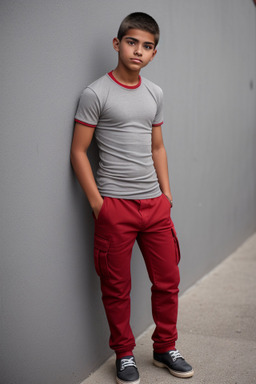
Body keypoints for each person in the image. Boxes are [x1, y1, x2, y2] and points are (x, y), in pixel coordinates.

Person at [71, 12, 194, 384]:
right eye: (131, 42)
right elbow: (79, 152)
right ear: (117, 44)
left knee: (168, 280)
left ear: (154, 53)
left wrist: (167, 193)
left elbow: (158, 146)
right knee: (116, 286)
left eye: (147, 46)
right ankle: (124, 354)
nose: (138, 51)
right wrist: (98, 204)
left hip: (154, 205)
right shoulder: (96, 93)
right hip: (115, 207)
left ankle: (164, 348)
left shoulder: (154, 93)